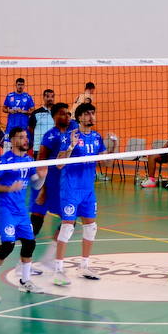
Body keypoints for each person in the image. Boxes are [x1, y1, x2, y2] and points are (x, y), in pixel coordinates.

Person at [48, 103, 113, 285]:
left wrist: (113, 145)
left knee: (91, 227)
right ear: (79, 118)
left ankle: (84, 266)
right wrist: (71, 146)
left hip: (88, 190)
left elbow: (106, 164)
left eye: (93, 113)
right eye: (87, 114)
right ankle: (58, 270)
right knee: (67, 227)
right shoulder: (69, 136)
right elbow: (59, 164)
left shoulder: (97, 137)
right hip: (70, 188)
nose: (91, 116)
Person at [0, 126, 45, 301]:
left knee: (29, 244)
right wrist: (9, 188)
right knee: (7, 245)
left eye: (26, 137)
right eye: (22, 137)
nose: (26, 140)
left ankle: (25, 281)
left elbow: (36, 185)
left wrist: (43, 175)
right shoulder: (4, 160)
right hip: (3, 208)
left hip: (20, 210)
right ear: (13, 140)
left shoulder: (30, 160)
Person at [32, 103, 73, 238]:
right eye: (62, 113)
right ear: (54, 117)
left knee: (69, 221)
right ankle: (23, 252)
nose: (66, 116)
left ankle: (53, 254)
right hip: (49, 184)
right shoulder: (50, 136)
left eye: (68, 114)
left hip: (64, 185)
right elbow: (41, 162)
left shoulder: (71, 134)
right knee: (36, 221)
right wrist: (42, 189)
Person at [2, 77, 34, 148]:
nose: (20, 86)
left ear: (24, 86)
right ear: (15, 85)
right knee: (7, 145)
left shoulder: (28, 97)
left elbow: (33, 110)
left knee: (22, 146)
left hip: (23, 126)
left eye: (22, 85)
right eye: (19, 84)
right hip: (11, 125)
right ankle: (6, 159)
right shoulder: (10, 96)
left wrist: (23, 111)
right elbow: (3, 108)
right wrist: (9, 110)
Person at [29, 88, 56, 152]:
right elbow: (30, 128)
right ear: (43, 97)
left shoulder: (58, 112)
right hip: (39, 148)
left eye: (52, 97)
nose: (50, 99)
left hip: (55, 147)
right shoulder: (36, 113)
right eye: (47, 96)